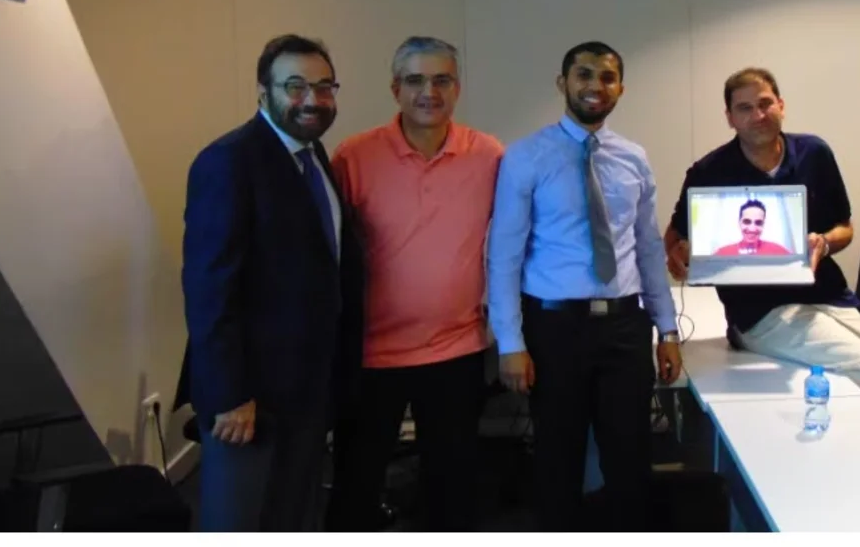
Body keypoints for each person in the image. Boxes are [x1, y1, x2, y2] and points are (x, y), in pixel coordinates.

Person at [486, 40, 682, 531]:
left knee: (630, 459)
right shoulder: (526, 156)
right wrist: (510, 343)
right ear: (563, 83)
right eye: (584, 75)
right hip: (554, 329)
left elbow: (648, 248)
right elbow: (504, 256)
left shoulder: (633, 158)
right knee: (557, 460)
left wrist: (668, 329)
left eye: (607, 77)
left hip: (624, 327)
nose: (596, 86)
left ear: (621, 89)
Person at [664, 67, 860, 430]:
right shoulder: (709, 171)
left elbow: (845, 228)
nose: (758, 115)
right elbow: (673, 238)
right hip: (760, 312)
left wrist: (824, 243)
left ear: (781, 105)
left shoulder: (814, 153)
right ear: (730, 118)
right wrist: (679, 255)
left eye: (765, 103)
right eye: (745, 108)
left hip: (827, 295)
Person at [179, 34, 364, 531]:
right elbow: (209, 290)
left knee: (292, 517)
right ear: (264, 91)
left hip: (307, 388)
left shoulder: (313, 155)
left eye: (324, 87)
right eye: (295, 86)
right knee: (240, 524)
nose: (312, 99)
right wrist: (229, 395)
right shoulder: (229, 161)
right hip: (250, 397)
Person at [325, 37, 503, 531]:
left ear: (457, 88)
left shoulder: (487, 155)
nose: (430, 92)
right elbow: (327, 251)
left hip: (455, 349)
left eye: (442, 80)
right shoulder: (354, 156)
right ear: (395, 89)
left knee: (452, 490)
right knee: (356, 486)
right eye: (416, 80)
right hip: (370, 354)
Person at [713, 199, 792, 256]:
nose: (752, 229)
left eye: (758, 223)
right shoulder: (722, 253)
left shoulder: (778, 251)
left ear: (763, 224)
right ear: (739, 223)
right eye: (747, 222)